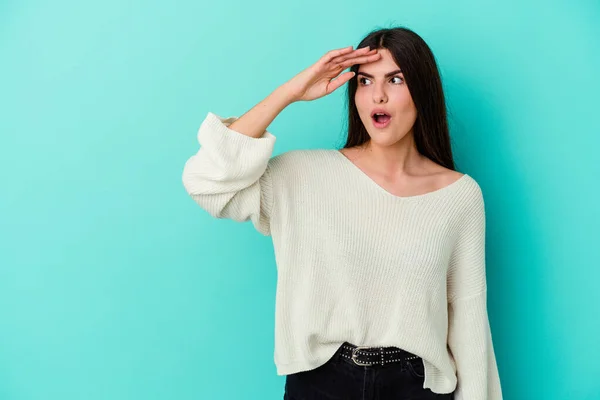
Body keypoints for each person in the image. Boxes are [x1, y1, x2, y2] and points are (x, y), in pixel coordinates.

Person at [181, 26, 503, 400]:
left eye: (395, 79)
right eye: (365, 81)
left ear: (423, 91)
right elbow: (206, 182)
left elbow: (469, 324)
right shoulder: (302, 175)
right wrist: (290, 93)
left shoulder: (458, 196)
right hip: (321, 384)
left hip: (417, 387)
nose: (377, 95)